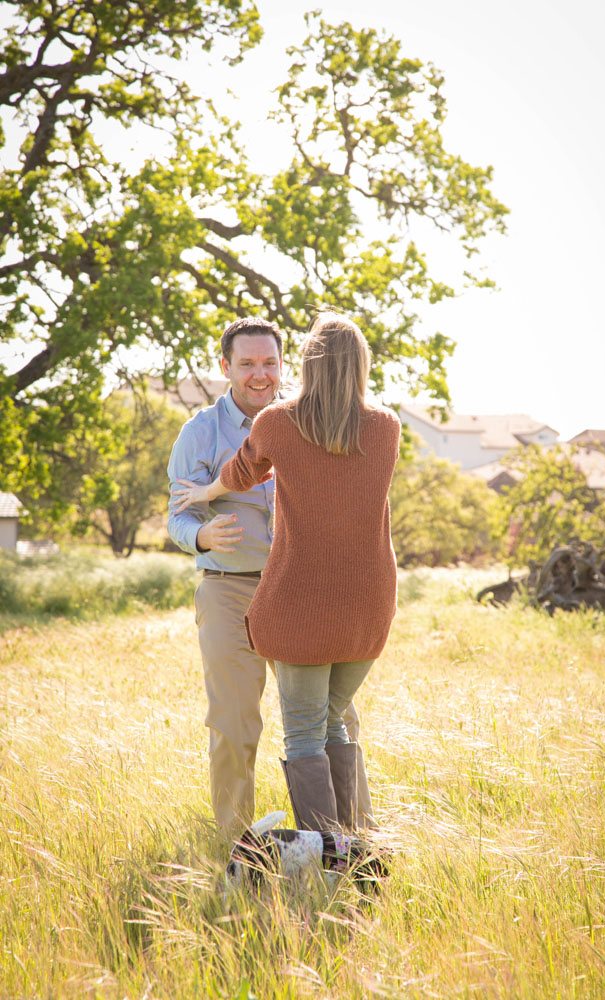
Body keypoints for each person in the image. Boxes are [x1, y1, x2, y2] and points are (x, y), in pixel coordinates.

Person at [172, 313, 401, 832]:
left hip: (298, 594)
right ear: (226, 366)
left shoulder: (280, 422)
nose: (260, 373)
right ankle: (251, 841)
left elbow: (247, 466)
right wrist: (200, 531)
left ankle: (340, 847)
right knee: (241, 723)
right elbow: (179, 515)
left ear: (293, 365)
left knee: (316, 727)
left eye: (269, 363)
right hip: (241, 586)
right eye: (247, 363)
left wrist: (213, 490)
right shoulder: (385, 425)